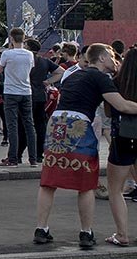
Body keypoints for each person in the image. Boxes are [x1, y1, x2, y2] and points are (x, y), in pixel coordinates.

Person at [34, 43, 137, 248]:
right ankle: (86, 232)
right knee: (86, 182)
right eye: (110, 56)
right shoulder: (101, 78)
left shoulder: (73, 75)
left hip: (56, 123)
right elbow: (122, 106)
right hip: (78, 125)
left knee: (49, 180)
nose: (114, 59)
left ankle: (41, 228)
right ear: (101, 59)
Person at [105, 48, 137, 246]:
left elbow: (109, 113)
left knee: (115, 190)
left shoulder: (115, 82)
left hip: (123, 138)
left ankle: (122, 234)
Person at [0, 28, 37, 167]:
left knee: (12, 125)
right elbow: (31, 68)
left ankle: (13, 158)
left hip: (11, 91)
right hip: (26, 91)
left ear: (11, 39)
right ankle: (33, 158)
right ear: (24, 38)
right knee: (29, 124)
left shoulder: (7, 54)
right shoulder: (29, 54)